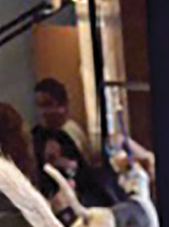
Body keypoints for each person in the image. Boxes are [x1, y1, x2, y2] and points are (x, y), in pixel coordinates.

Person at [32, 77, 120, 210]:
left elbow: (84, 170)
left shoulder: (68, 132)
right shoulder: (42, 135)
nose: (43, 112)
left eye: (48, 105)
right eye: (39, 106)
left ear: (63, 106)